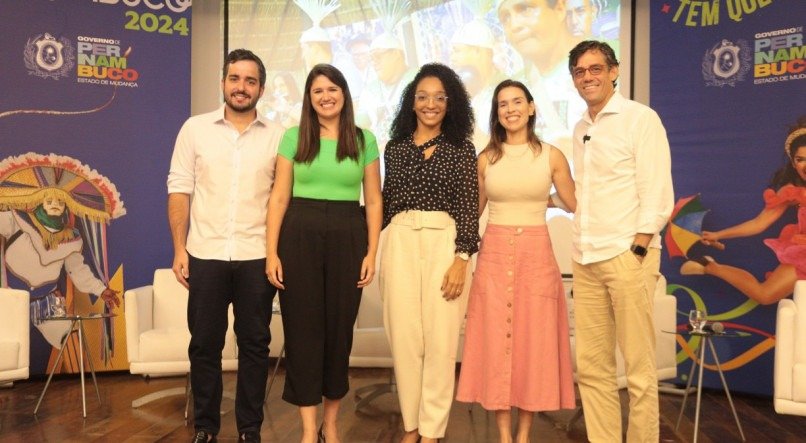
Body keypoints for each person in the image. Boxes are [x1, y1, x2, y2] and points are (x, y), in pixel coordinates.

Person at [167, 48, 284, 443]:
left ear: (261, 89)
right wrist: (180, 250)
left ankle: (250, 429)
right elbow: (179, 190)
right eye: (235, 78)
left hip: (255, 257)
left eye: (250, 81)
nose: (241, 87)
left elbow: (282, 201)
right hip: (206, 254)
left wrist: (275, 254)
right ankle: (206, 428)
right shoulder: (194, 129)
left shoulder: (279, 137)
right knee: (204, 346)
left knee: (255, 346)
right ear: (223, 83)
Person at [265, 63, 382, 443]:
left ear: (344, 94)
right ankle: (305, 429)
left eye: (332, 89)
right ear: (309, 98)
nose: (325, 96)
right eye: (318, 91)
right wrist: (271, 253)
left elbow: (375, 200)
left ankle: (330, 425)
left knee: (338, 333)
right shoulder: (294, 137)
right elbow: (279, 197)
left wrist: (372, 253)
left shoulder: (364, 140)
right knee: (302, 332)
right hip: (298, 235)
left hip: (349, 236)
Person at [456, 80, 577, 443]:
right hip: (493, 253)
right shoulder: (486, 158)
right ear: (497, 113)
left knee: (533, 345)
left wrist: (542, 201)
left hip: (537, 255)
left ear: (531, 107)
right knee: (495, 343)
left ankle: (523, 436)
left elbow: (573, 202)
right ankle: (504, 436)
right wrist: (460, 252)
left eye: (517, 102)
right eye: (502, 104)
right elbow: (472, 211)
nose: (510, 109)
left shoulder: (552, 155)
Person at [568, 40, 673, 442]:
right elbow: (589, 194)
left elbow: (658, 192)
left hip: (628, 256)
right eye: (580, 71)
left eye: (596, 68)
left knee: (640, 369)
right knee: (592, 368)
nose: (588, 77)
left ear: (614, 71)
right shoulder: (580, 128)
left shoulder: (639, 119)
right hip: (586, 257)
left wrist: (639, 250)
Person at [380, 63, 479, 443]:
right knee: (405, 340)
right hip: (400, 242)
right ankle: (411, 426)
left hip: (445, 244)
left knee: (440, 341)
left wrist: (461, 258)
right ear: (411, 102)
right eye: (422, 96)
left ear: (450, 103)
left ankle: (433, 430)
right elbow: (386, 205)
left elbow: (469, 208)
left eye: (439, 97)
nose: (430, 103)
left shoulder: (461, 150)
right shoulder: (395, 148)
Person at [681, 118, 806, 305]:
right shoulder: (791, 192)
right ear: (793, 163)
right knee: (765, 295)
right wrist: (718, 234)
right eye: (800, 159)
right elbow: (759, 223)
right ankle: (711, 267)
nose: (805, 165)